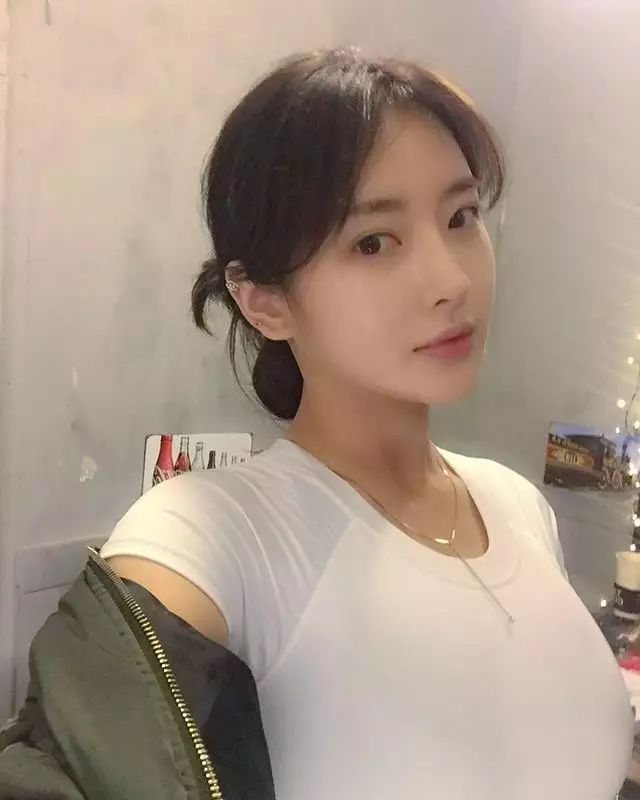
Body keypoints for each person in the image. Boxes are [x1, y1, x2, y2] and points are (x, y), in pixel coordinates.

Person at [0, 48, 634, 800]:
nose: (452, 280)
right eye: (374, 242)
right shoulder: (210, 536)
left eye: (461, 217)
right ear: (264, 300)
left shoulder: (518, 505)